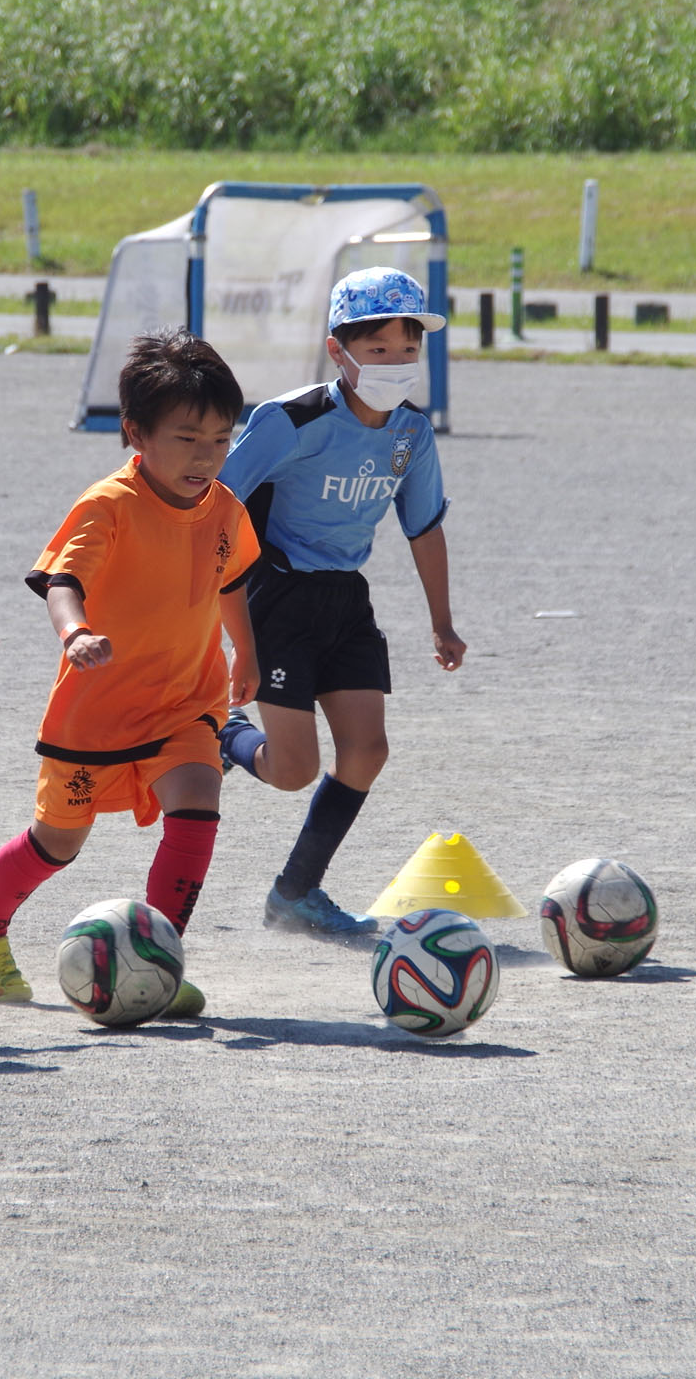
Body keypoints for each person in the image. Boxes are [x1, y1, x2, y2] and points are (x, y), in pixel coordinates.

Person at [0, 331, 260, 1015]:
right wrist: (76, 631)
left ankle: (159, 955)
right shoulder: (108, 506)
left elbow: (229, 581)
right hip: (97, 715)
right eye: (186, 438)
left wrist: (247, 655)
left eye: (219, 439)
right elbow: (63, 580)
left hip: (186, 702)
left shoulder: (228, 510)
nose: (205, 456)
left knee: (198, 809)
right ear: (135, 434)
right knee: (58, 843)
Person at [214, 267, 467, 940]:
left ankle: (296, 893)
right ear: (339, 351)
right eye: (377, 350)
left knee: (367, 750)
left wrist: (442, 624)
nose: (394, 363)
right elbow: (216, 509)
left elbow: (425, 527)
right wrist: (216, 612)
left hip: (345, 598)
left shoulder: (412, 434)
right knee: (293, 770)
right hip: (278, 595)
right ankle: (222, 733)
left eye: (406, 350)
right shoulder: (289, 419)